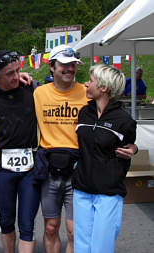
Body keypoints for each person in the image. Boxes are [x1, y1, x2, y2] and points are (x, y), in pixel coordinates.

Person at [33, 45, 138, 253]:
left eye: (73, 65)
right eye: (65, 64)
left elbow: (128, 141)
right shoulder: (79, 111)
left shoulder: (113, 114)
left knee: (93, 242)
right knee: (67, 236)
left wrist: (133, 148)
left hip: (101, 186)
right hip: (70, 179)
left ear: (103, 88)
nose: (71, 69)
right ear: (51, 67)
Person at [0, 50, 40, 253]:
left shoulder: (31, 87)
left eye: (17, 71)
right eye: (9, 73)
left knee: (27, 227)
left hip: (31, 167)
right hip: (3, 167)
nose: (15, 77)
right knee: (6, 222)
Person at [72, 64, 137, 253]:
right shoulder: (84, 113)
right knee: (81, 246)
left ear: (103, 87)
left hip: (108, 193)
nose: (86, 84)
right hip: (82, 189)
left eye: (91, 81)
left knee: (101, 246)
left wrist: (134, 148)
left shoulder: (124, 121)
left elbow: (129, 149)